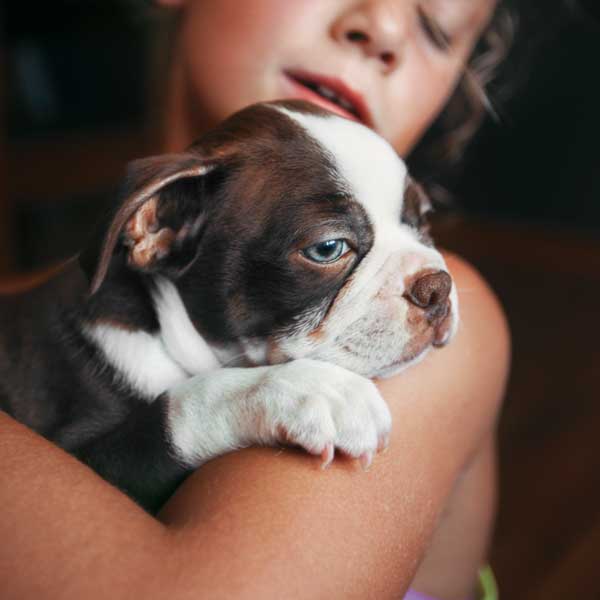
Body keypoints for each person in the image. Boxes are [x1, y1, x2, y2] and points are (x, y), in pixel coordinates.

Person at [0, 2, 513, 599]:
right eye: (329, 245)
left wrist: (212, 409)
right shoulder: (49, 321)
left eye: (436, 31)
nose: (386, 29)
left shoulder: (450, 347)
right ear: (155, 226)